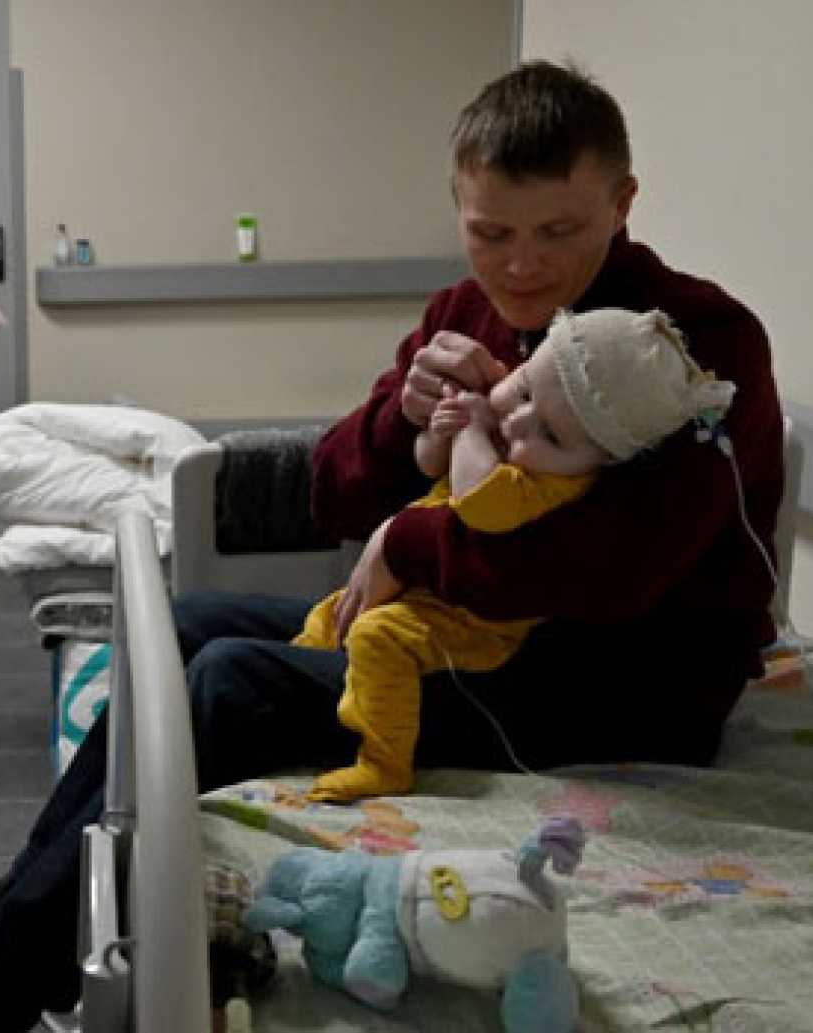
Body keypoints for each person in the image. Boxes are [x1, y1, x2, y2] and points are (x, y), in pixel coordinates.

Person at [0, 60, 785, 1031]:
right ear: (458, 208)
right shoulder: (466, 314)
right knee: (186, 623)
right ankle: (7, 906)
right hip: (462, 634)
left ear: (622, 204)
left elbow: (609, 575)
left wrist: (407, 540)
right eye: (492, 233)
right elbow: (333, 490)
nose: (521, 266)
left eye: (558, 232)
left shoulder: (692, 348)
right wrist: (403, 426)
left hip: (617, 685)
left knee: (230, 683)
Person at [296, 307, 737, 801]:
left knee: (376, 636)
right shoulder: (522, 435)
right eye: (524, 391)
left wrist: (470, 430)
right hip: (426, 592)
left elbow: (478, 501)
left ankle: (383, 764)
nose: (520, 421)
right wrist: (439, 431)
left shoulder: (555, 484)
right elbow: (429, 463)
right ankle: (308, 684)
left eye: (551, 435)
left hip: (474, 625)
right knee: (327, 618)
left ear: (603, 459)